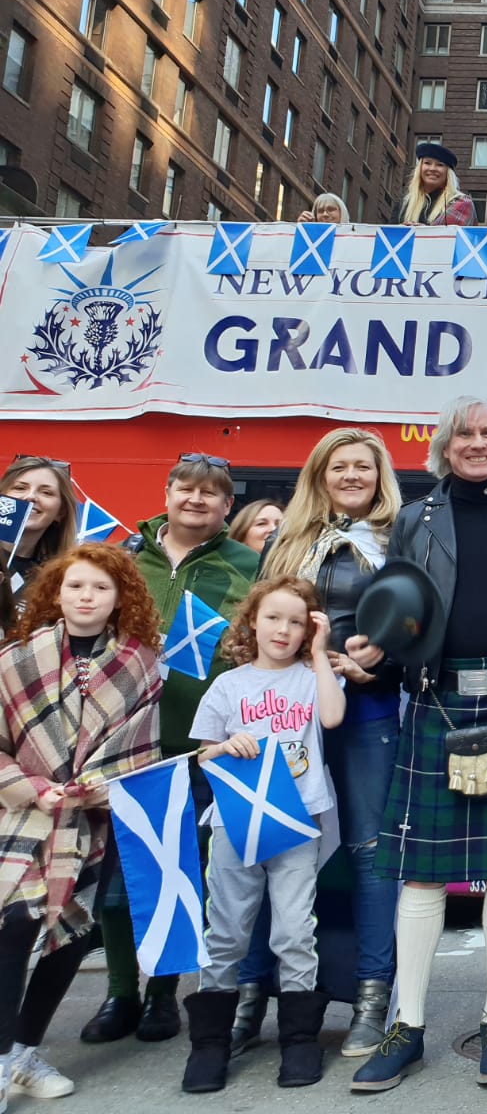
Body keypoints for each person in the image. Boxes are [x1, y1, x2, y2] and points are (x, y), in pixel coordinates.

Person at [351, 396, 487, 1092]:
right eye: (466, 435)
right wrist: (375, 645)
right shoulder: (415, 521)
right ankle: (405, 1026)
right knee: (420, 871)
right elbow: (402, 608)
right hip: (436, 701)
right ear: (445, 448)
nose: (478, 443)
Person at [82, 454, 259, 1045]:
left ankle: (163, 997)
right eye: (186, 488)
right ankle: (119, 995)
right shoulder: (126, 557)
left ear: (227, 506)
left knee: (182, 873)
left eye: (212, 493)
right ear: (167, 493)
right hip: (120, 741)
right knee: (114, 886)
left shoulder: (247, 565)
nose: (197, 499)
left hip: (199, 744)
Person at [255, 428, 406, 1058]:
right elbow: (254, 622)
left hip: (371, 708)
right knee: (274, 847)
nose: (350, 476)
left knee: (372, 854)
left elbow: (422, 626)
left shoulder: (402, 538)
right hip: (289, 715)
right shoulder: (283, 542)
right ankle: (252, 995)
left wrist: (382, 664)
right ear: (319, 475)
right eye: (338, 466)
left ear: (379, 478)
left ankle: (373, 999)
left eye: (362, 468)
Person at [0, 544, 163, 1102]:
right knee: (16, 924)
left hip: (95, 816)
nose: (86, 596)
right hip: (22, 813)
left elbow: (143, 743)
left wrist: (104, 784)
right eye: (75, 586)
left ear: (120, 598)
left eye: (99, 588)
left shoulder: (141, 662)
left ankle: (25, 1051)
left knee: (74, 930)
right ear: (56, 592)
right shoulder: (16, 658)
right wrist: (32, 787)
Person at [182, 578, 345, 1093]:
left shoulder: (309, 676)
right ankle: (209, 1044)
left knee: (295, 930)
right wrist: (229, 744)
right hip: (236, 823)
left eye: (297, 622)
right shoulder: (227, 686)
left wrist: (321, 654)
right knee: (227, 928)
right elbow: (202, 756)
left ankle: (299, 1039)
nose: (284, 629)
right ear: (252, 620)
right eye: (273, 617)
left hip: (298, 823)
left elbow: (334, 716)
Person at [1, 456, 78, 594]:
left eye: (46, 492)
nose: (30, 496)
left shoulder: (59, 579)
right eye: (20, 488)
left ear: (60, 512)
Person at [392, 143, 475, 227]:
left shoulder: (461, 203)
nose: (432, 169)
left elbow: (456, 237)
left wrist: (423, 232)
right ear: (420, 167)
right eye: (427, 163)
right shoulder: (404, 204)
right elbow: (389, 236)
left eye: (440, 165)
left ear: (448, 173)